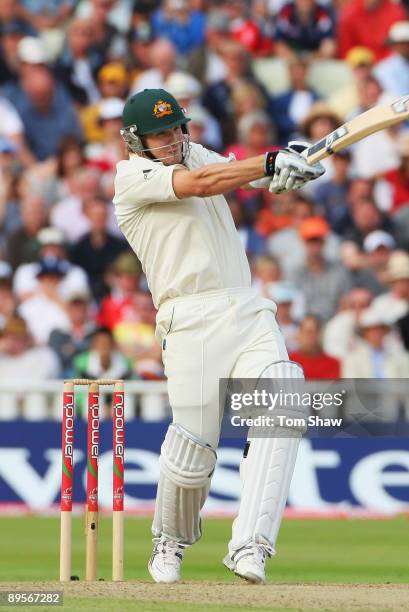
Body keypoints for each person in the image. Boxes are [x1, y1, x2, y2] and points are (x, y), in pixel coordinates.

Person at [113, 88, 324, 584]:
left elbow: (236, 170)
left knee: (285, 400)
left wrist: (281, 170)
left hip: (246, 306)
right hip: (188, 320)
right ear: (135, 140)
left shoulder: (194, 153)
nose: (172, 140)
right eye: (160, 134)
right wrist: (267, 162)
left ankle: (251, 546)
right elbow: (206, 182)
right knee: (194, 451)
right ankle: (170, 542)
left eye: (177, 129)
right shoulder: (131, 178)